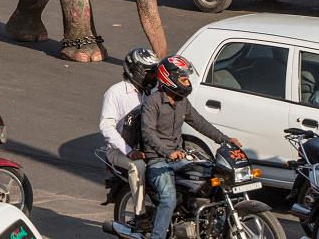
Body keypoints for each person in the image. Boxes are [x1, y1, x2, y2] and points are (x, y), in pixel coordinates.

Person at [143, 56, 241, 239]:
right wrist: (167, 152)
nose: (188, 83)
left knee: (210, 179)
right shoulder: (153, 102)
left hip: (179, 158)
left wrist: (225, 140)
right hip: (157, 161)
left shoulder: (182, 102)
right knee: (168, 199)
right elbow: (148, 133)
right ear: (169, 79)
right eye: (183, 79)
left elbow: (201, 123)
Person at [101, 48, 159, 232]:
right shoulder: (116, 92)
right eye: (150, 72)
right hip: (119, 151)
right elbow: (106, 126)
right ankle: (140, 214)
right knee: (139, 166)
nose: (153, 77)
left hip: (146, 148)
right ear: (137, 71)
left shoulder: (152, 93)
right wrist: (128, 150)